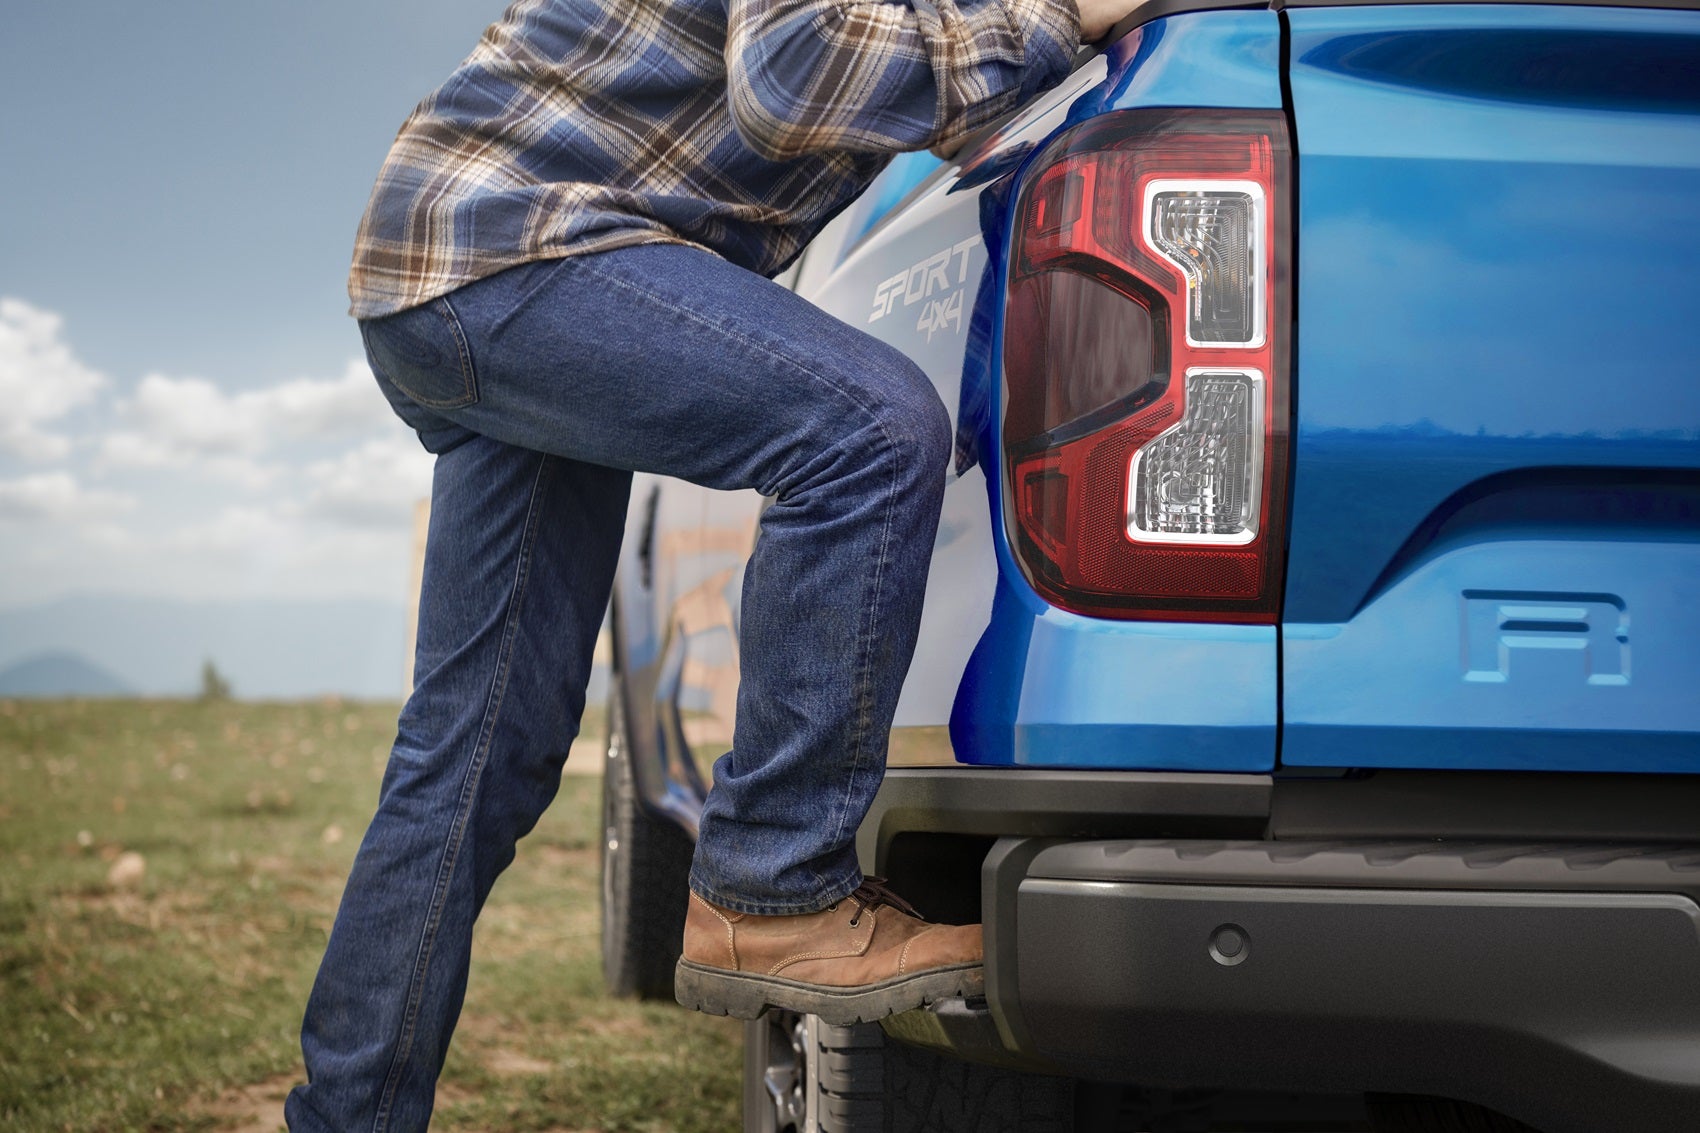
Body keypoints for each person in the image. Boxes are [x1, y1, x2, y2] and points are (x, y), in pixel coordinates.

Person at [286, 0, 1142, 1127]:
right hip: (521, 246)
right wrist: (1062, 18)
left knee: (475, 748)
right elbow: (789, 73)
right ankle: (771, 888)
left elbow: (888, 85)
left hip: (459, 257)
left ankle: (345, 1118)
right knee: (869, 432)